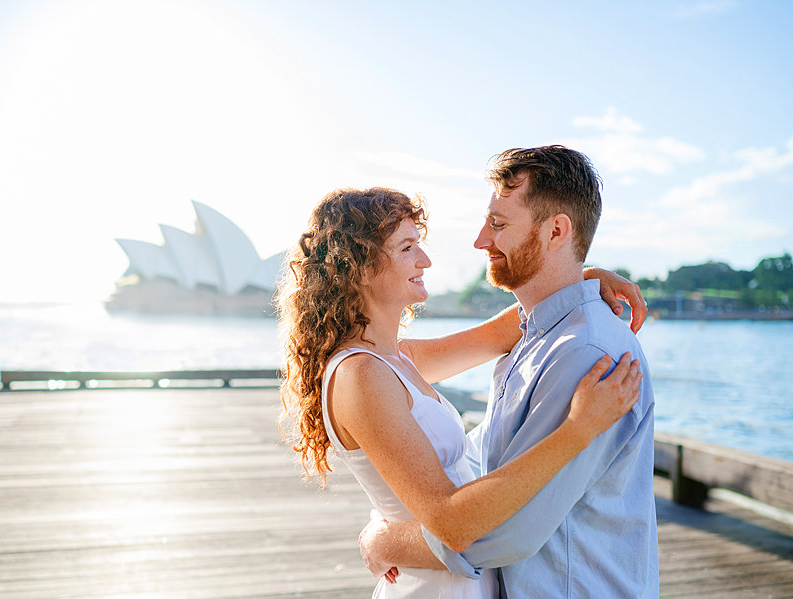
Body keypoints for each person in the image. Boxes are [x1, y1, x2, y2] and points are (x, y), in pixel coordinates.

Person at [277, 184, 647, 598]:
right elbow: (451, 523)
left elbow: (502, 332)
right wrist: (578, 430)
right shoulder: (362, 375)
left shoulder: (398, 360)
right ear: (360, 268)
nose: (425, 260)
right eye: (406, 248)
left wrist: (580, 275)